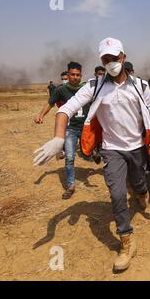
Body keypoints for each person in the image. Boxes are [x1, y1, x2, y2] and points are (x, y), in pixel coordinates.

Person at [34, 38, 150, 272]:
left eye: (114, 58)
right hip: (111, 149)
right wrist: (59, 138)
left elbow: (148, 113)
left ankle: (141, 190)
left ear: (123, 57)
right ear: (101, 60)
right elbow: (65, 109)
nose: (111, 63)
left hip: (137, 147)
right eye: (105, 59)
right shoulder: (95, 86)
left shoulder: (141, 85)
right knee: (118, 194)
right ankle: (127, 240)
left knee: (139, 182)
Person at [34, 62, 89, 200]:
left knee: (89, 153)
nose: (75, 77)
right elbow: (50, 102)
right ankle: (70, 186)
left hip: (86, 127)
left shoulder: (87, 88)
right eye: (72, 74)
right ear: (68, 75)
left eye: (78, 75)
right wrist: (41, 114)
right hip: (70, 128)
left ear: (81, 75)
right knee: (70, 158)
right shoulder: (61, 90)